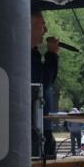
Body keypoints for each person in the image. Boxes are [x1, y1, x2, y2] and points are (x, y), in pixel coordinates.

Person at [30, 10, 60, 158]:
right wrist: (52, 55)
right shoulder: (25, 56)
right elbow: (43, 82)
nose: (46, 30)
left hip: (41, 124)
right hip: (35, 127)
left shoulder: (33, 54)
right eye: (43, 25)